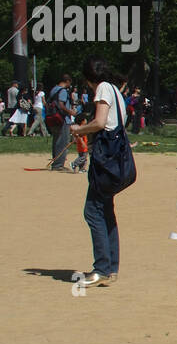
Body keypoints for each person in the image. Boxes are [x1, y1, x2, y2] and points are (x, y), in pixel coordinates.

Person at [70, 58, 126, 287]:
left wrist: (79, 129)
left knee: (92, 211)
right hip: (116, 160)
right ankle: (111, 268)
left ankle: (102, 268)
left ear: (88, 79)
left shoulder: (103, 87)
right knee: (105, 211)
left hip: (106, 160)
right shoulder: (115, 90)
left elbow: (100, 122)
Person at [47, 74, 76, 170]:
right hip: (63, 119)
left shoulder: (54, 89)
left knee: (56, 141)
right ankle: (58, 165)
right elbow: (61, 105)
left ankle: (56, 162)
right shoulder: (63, 91)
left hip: (54, 118)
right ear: (67, 81)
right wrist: (70, 112)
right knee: (63, 141)